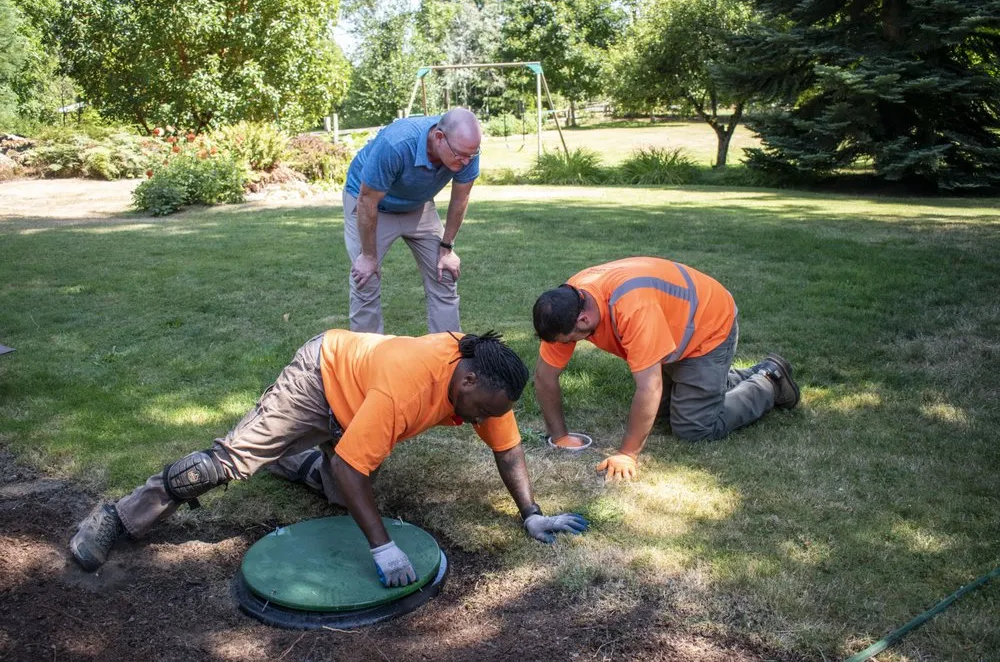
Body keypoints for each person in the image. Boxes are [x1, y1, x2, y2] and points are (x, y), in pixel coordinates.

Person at [70, 330, 588, 585]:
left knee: (344, 490)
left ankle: (283, 457)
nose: (480, 422)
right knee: (222, 466)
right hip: (321, 377)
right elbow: (351, 464)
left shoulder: (488, 388)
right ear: (466, 379)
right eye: (478, 411)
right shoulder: (409, 389)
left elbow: (509, 449)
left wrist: (531, 513)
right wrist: (383, 549)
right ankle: (116, 517)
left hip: (363, 404)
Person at [532, 257, 800, 482]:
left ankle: (769, 380)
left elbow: (649, 387)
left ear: (584, 319)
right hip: (669, 330)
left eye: (570, 340)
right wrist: (560, 436)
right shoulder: (569, 303)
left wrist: (627, 453)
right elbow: (545, 377)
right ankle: (716, 383)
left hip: (707, 327)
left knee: (692, 426)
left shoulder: (632, 308)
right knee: (661, 413)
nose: (568, 346)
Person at [344, 108, 482, 335]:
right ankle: (366, 363)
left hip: (418, 204)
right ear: (439, 138)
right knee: (365, 278)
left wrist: (447, 248)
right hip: (372, 204)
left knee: (444, 273)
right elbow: (367, 200)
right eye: (460, 156)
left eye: (472, 155)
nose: (467, 162)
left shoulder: (466, 149)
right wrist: (368, 256)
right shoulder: (397, 143)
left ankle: (447, 357)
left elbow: (461, 198)